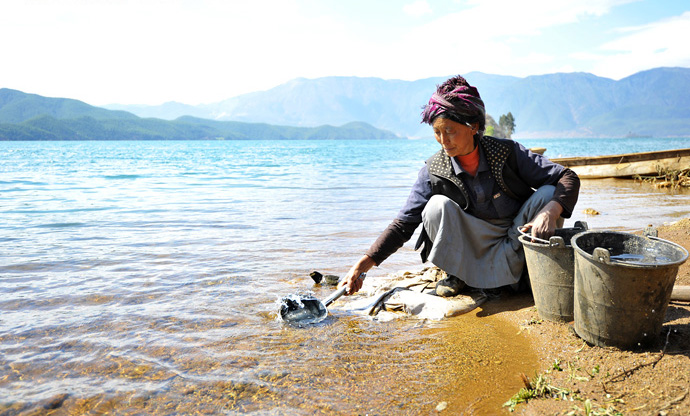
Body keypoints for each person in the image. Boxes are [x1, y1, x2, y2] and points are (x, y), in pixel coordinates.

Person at [339, 75, 580, 297]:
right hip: (471, 249)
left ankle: (528, 270)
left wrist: (551, 211)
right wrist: (363, 265)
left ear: (473, 126)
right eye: (437, 132)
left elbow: (567, 177)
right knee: (435, 207)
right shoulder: (434, 170)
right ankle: (460, 275)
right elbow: (403, 224)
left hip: (514, 239)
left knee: (549, 193)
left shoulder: (507, 153)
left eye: (450, 131)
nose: (444, 141)